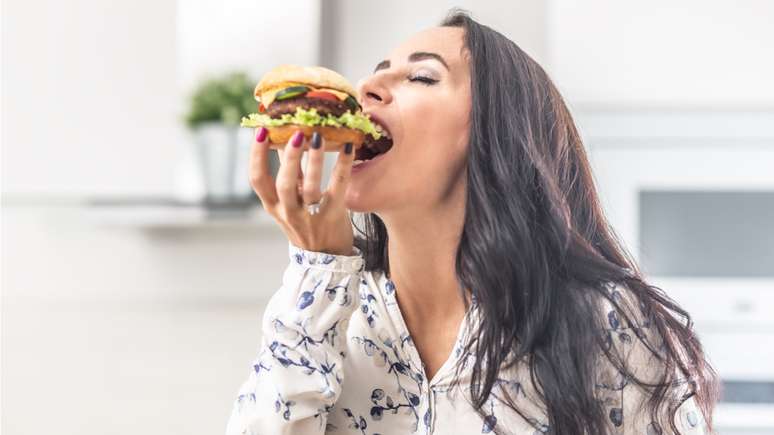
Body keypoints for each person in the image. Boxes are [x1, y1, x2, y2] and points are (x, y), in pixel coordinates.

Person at [225, 8, 719, 435]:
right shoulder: (337, 313)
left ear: (494, 131)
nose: (366, 88)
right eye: (376, 72)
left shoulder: (606, 322)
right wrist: (319, 270)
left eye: (421, 77)